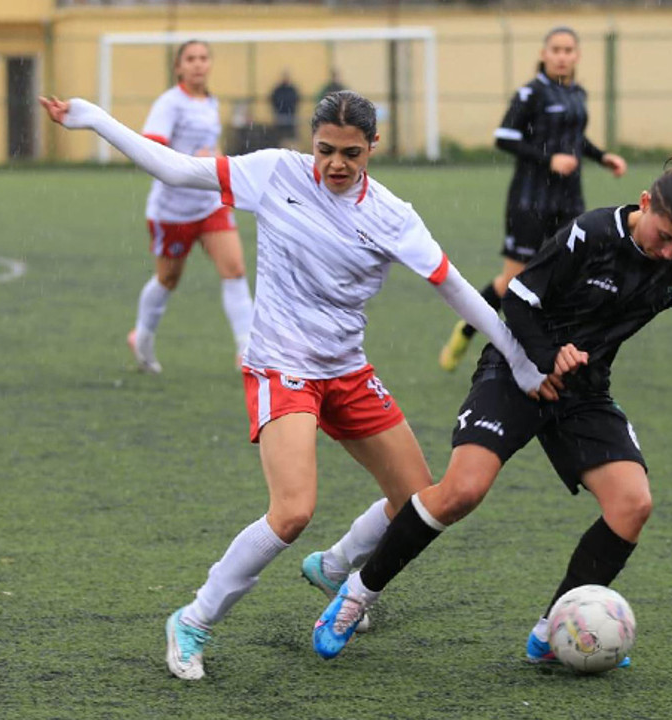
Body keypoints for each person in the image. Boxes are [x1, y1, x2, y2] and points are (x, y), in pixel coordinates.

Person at [38, 90, 552, 681]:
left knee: (417, 501)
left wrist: (519, 360)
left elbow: (456, 287)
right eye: (325, 150)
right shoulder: (274, 172)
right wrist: (95, 119)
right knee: (292, 512)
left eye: (351, 154)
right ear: (311, 141)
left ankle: (336, 569)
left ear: (373, 148)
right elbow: (176, 167)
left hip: (347, 369)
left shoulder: (392, 215)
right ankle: (193, 619)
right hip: (281, 367)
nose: (336, 163)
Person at [311, 154, 672, 664]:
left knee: (632, 504)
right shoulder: (591, 234)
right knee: (462, 491)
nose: (668, 252)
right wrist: (546, 355)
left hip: (583, 392)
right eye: (664, 235)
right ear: (645, 203)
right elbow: (517, 299)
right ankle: (356, 594)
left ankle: (556, 629)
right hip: (516, 371)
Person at [438, 26, 627, 372]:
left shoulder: (578, 94)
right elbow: (504, 138)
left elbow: (575, 139)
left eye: (568, 50)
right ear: (543, 54)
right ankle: (468, 330)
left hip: (569, 201)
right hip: (530, 201)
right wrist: (548, 158)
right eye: (555, 49)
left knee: (568, 275)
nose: (562, 56)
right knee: (512, 282)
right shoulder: (530, 94)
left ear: (577, 55)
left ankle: (553, 349)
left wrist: (603, 157)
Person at [130, 40, 253, 373]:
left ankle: (248, 349)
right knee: (168, 279)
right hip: (173, 210)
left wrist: (212, 161)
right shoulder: (169, 104)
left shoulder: (210, 101)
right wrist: (190, 161)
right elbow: (151, 149)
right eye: (190, 59)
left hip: (210, 203)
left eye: (203, 58)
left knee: (235, 270)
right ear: (178, 67)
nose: (198, 64)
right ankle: (142, 336)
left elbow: (205, 148)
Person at [269, 70, 301, 146]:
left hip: (291, 117)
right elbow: (273, 100)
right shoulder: (278, 90)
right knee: (279, 138)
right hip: (280, 117)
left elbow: (296, 100)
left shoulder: (292, 90)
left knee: (291, 138)